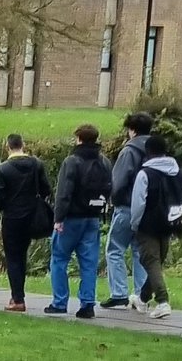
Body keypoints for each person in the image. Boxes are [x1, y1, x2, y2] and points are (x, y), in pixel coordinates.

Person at [46, 124, 113, 319]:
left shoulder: (72, 161)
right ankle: (87, 304)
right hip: (92, 217)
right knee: (89, 263)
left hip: (71, 217)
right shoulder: (104, 162)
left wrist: (58, 218)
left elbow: (64, 192)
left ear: (79, 139)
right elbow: (109, 188)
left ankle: (59, 302)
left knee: (59, 259)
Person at [0, 133, 53, 312]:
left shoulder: (3, 169)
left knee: (13, 257)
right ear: (23, 145)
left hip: (12, 217)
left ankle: (17, 298)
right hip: (32, 217)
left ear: (7, 147)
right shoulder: (37, 164)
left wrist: (6, 206)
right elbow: (46, 189)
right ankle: (18, 295)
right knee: (22, 256)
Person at [130, 135, 182, 319]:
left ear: (148, 152)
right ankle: (142, 299)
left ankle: (163, 301)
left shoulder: (145, 174)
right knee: (156, 261)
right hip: (169, 222)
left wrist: (135, 224)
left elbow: (138, 204)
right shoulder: (179, 173)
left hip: (148, 224)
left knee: (151, 261)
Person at [101, 111, 154, 310]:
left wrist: (112, 199)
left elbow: (119, 180)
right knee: (139, 251)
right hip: (148, 208)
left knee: (115, 249)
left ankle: (119, 293)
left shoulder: (129, 151)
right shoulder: (155, 150)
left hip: (127, 206)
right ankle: (141, 295)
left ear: (131, 130)